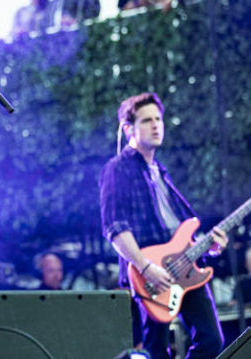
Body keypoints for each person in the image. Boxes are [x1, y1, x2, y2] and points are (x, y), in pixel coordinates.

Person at [99, 92, 229, 359]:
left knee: (212, 340)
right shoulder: (117, 169)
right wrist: (146, 267)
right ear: (128, 129)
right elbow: (115, 227)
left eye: (158, 119)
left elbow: (179, 228)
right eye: (147, 120)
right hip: (148, 272)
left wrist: (209, 246)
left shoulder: (161, 171)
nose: (156, 125)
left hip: (184, 267)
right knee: (155, 350)